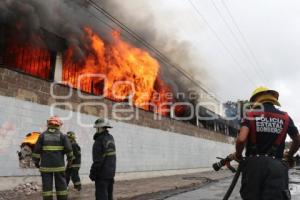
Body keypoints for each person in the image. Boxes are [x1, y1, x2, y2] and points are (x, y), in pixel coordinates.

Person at [230, 86, 300, 200]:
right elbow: (297, 140)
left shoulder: (250, 115)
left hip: (253, 168)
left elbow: (241, 139)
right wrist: (290, 155)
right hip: (277, 166)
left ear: (256, 100)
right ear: (273, 99)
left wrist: (238, 155)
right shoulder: (286, 117)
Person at [32, 116, 74, 200]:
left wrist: (36, 162)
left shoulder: (42, 136)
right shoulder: (62, 136)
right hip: (59, 166)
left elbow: (36, 151)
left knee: (47, 187)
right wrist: (70, 161)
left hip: (45, 167)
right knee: (61, 186)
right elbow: (69, 150)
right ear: (58, 125)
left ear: (48, 124)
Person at [89, 118, 116, 200]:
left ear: (99, 128)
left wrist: (92, 173)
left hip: (102, 175)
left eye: (96, 128)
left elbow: (98, 161)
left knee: (101, 196)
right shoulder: (110, 138)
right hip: (111, 174)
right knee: (109, 196)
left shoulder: (99, 141)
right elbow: (112, 157)